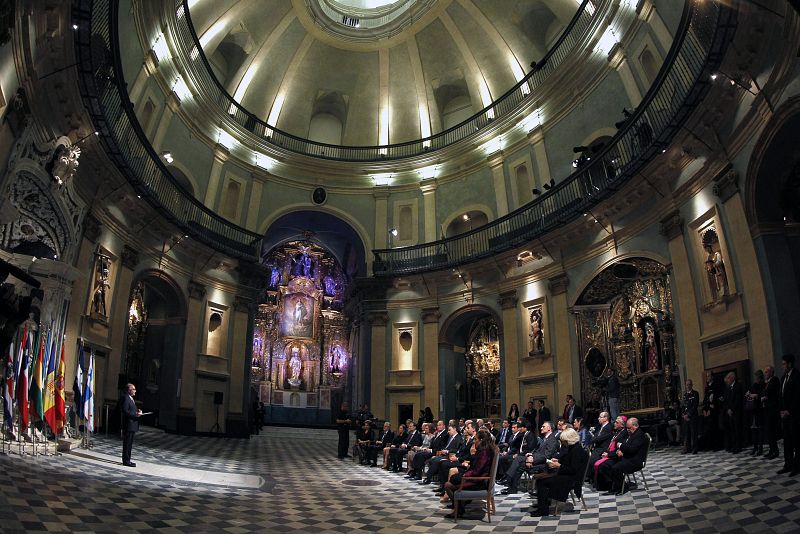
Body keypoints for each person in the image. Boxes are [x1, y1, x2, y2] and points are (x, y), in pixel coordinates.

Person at [531, 428, 587, 517]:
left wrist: (558, 465)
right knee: (541, 478)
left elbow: (573, 469)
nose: (563, 443)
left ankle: (543, 509)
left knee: (542, 482)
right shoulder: (573, 447)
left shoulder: (577, 450)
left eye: (564, 441)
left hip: (571, 479)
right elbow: (568, 461)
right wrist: (559, 460)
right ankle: (543, 504)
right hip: (566, 475)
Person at [443, 429, 497, 519]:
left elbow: (477, 471)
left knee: (448, 485)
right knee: (453, 478)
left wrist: (465, 475)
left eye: (476, 439)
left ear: (481, 440)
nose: (474, 441)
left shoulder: (484, 452)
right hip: (478, 478)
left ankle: (459, 509)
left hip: (479, 482)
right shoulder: (485, 450)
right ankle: (460, 505)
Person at [597, 417, 647, 494]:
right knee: (605, 465)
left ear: (635, 426)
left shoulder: (639, 435)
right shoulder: (631, 433)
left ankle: (621, 488)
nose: (627, 430)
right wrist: (619, 450)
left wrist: (620, 446)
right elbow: (626, 445)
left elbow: (632, 449)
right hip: (626, 456)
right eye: (627, 428)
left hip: (635, 460)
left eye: (629, 428)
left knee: (615, 468)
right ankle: (614, 485)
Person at [778, 354, 799, 476]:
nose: (782, 366)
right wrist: (781, 410)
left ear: (790, 364)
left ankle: (797, 466)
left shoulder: (797, 376)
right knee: (787, 442)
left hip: (794, 415)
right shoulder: (783, 378)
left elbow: (797, 397)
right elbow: (781, 396)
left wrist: (789, 411)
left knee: (796, 442)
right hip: (784, 416)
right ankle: (788, 464)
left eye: (784, 364)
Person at [121, 383, 142, 467]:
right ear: (129, 390)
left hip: (132, 425)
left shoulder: (130, 399)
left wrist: (137, 412)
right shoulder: (126, 398)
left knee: (129, 444)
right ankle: (126, 460)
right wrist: (136, 415)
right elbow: (125, 411)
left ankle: (128, 459)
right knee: (127, 443)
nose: (135, 391)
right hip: (128, 424)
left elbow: (131, 410)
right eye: (134, 389)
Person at [762, 365, 781, 459]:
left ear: (771, 372)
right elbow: (764, 393)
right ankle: (771, 450)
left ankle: (775, 451)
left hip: (773, 410)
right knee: (769, 431)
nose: (764, 374)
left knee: (772, 431)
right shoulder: (767, 382)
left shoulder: (774, 380)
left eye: (766, 372)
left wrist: (765, 396)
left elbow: (767, 392)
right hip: (768, 410)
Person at [723, 371, 744, 453]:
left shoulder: (738, 386)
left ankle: (738, 446)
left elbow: (738, 400)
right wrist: (728, 409)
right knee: (732, 430)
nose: (727, 380)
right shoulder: (728, 388)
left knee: (737, 430)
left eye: (728, 378)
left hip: (736, 412)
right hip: (729, 413)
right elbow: (726, 400)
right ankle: (733, 445)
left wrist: (732, 409)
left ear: (732, 378)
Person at [746, 369, 765, 456]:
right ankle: (755, 447)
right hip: (753, 410)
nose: (756, 379)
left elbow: (761, 394)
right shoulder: (754, 385)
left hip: (759, 410)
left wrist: (755, 395)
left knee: (760, 430)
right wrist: (749, 393)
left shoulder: (763, 385)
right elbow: (750, 391)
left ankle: (760, 448)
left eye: (757, 377)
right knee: (753, 431)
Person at [682, 379, 700, 454]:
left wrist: (688, 415)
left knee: (693, 433)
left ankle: (694, 448)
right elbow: (683, 406)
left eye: (689, 384)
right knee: (687, 434)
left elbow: (694, 406)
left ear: (692, 385)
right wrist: (684, 415)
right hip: (686, 418)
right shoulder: (685, 395)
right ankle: (687, 449)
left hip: (692, 417)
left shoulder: (695, 393)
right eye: (687, 385)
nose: (688, 386)